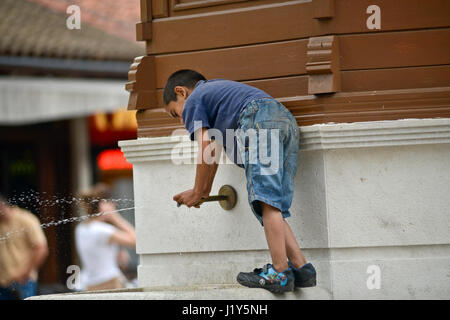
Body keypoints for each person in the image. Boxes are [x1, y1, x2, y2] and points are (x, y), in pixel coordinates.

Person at [163, 70, 317, 293]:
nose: (181, 118)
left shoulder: (195, 99)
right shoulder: (217, 94)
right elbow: (212, 151)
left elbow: (204, 145)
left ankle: (280, 272)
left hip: (259, 120)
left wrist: (197, 191)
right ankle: (302, 268)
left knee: (267, 201)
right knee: (273, 204)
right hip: (284, 121)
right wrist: (203, 190)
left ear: (181, 92)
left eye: (174, 112)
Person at [75, 183, 136, 291]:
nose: (114, 205)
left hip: (87, 283)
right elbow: (136, 240)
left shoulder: (81, 228)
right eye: (111, 202)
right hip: (109, 281)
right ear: (103, 204)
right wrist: (115, 217)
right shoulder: (103, 230)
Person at [0, 194, 49, 300]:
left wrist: (26, 273)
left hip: (24, 282)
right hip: (2, 283)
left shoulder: (26, 219)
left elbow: (41, 248)